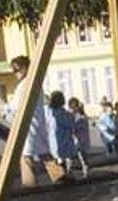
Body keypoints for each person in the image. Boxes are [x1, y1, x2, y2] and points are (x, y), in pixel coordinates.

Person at [9, 56, 67, 187]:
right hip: (36, 122)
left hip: (26, 124)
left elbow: (15, 106)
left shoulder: (25, 85)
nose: (15, 73)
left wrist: (8, 111)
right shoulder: (35, 83)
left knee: (25, 155)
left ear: (25, 68)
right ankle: (58, 175)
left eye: (16, 69)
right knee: (43, 152)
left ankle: (30, 183)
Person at [45, 91, 77, 174]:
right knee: (63, 159)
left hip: (53, 139)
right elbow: (70, 123)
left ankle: (60, 175)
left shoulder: (48, 112)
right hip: (63, 139)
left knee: (57, 158)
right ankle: (65, 175)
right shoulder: (62, 113)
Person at [68, 97, 91, 178]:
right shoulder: (76, 116)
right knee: (72, 158)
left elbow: (75, 127)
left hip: (80, 141)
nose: (71, 109)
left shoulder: (80, 117)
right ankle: (69, 173)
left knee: (81, 158)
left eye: (72, 107)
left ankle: (85, 173)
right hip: (77, 141)